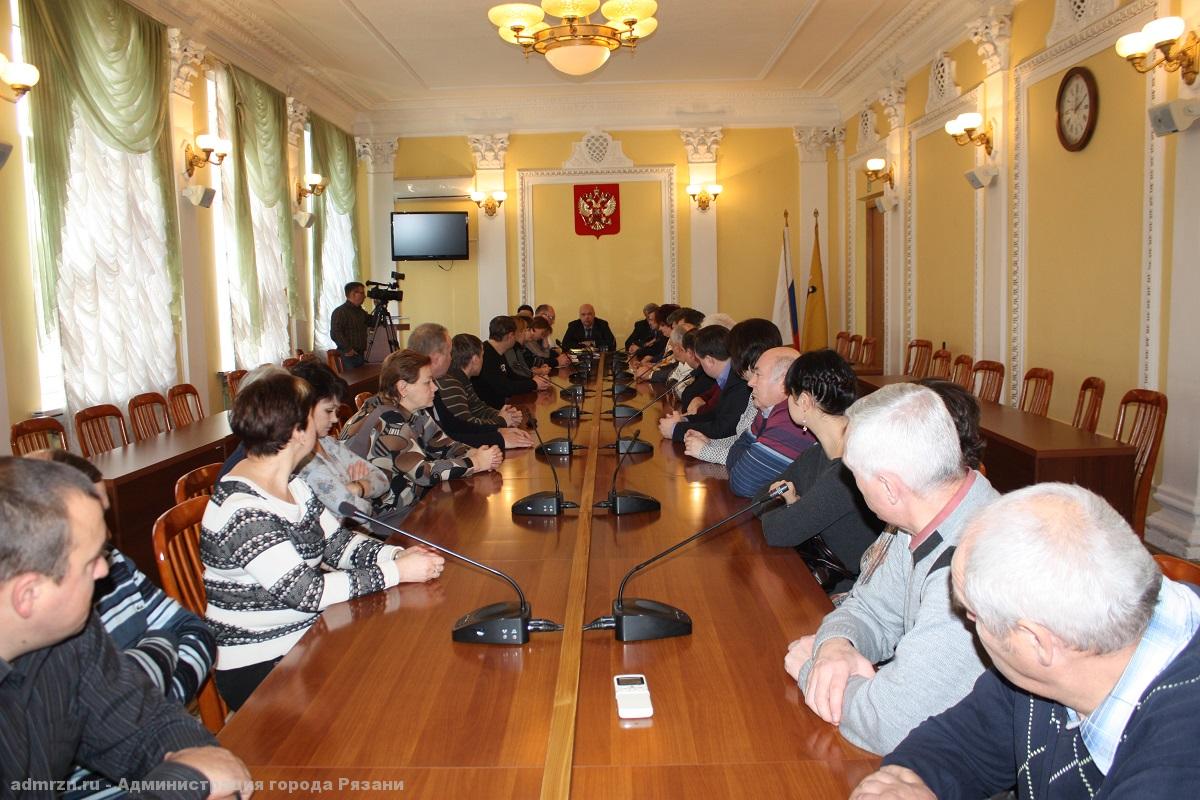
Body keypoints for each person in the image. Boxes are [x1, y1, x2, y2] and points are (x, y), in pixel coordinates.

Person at [853, 483, 1200, 800]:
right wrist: (905, 781)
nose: (967, 622)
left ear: (1036, 642)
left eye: (972, 614)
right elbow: (961, 743)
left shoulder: (1178, 768)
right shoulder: (1051, 659)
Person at [0, 457, 254, 799]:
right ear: (28, 595)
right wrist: (187, 781)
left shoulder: (71, 636)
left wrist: (209, 770)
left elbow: (146, 724)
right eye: (91, 562)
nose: (106, 570)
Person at [203, 373, 445, 709]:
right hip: (262, 662)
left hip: (309, 637)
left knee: (401, 667)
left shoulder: (293, 484)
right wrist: (397, 572)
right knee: (378, 698)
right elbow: (308, 592)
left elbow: (338, 544)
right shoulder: (242, 509)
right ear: (296, 431)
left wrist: (396, 555)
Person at [783, 382, 996, 755]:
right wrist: (836, 646)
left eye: (854, 474)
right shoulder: (919, 517)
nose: (852, 485)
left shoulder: (970, 570)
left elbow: (892, 724)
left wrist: (811, 669)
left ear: (889, 487)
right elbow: (869, 608)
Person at [757, 350, 883, 594]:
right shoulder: (819, 452)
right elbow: (759, 499)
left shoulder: (849, 469)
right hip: (814, 577)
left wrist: (792, 505)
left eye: (790, 395)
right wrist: (794, 507)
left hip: (846, 595)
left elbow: (778, 532)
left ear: (804, 402)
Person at [688, 346, 816, 497]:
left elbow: (743, 483)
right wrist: (716, 446)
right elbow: (737, 449)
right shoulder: (768, 410)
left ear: (783, 382)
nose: (750, 382)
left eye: (758, 375)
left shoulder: (790, 421)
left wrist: (709, 451)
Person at [407, 323, 534, 451]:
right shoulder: (437, 387)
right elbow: (448, 438)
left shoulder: (434, 385)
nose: (451, 358)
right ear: (435, 358)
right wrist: (499, 435)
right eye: (449, 353)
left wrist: (498, 430)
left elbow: (456, 426)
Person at [290, 360, 391, 519]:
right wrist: (365, 490)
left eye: (336, 411)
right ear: (304, 408)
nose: (335, 419)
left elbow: (382, 479)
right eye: (328, 411)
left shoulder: (328, 443)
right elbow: (360, 513)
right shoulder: (304, 463)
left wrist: (356, 488)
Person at [660, 319, 780, 442]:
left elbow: (726, 431)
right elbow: (718, 414)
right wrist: (685, 421)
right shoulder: (740, 379)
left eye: (733, 353)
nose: (731, 358)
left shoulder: (743, 384)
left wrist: (677, 430)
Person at [473, 315, 551, 408]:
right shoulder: (486, 354)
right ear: (510, 336)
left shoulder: (498, 351)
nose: (516, 339)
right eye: (515, 335)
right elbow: (504, 387)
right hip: (490, 410)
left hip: (501, 406)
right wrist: (533, 384)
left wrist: (535, 381)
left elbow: (512, 376)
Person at [330, 281, 372, 368]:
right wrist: (348, 349)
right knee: (351, 377)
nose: (365, 296)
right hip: (348, 355)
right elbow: (335, 333)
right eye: (362, 293)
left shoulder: (361, 312)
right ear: (353, 294)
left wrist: (379, 307)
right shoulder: (340, 312)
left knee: (362, 376)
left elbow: (373, 322)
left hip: (360, 353)